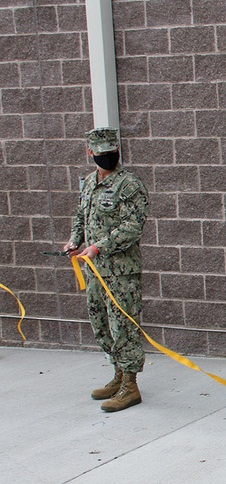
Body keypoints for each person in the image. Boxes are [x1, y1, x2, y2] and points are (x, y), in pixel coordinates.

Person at [64, 128, 149, 412]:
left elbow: (132, 227)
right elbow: (81, 216)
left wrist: (98, 246)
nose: (108, 157)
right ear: (91, 153)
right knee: (101, 324)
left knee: (123, 326)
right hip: (95, 270)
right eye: (102, 154)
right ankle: (118, 374)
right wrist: (75, 241)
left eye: (112, 152)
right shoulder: (88, 183)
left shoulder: (129, 185)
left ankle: (131, 385)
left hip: (121, 272)